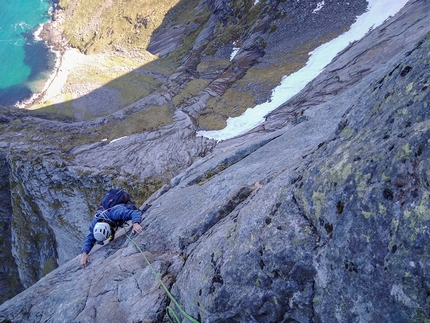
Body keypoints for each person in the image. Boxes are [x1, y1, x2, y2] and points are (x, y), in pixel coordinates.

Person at [80, 204, 143, 268]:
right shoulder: (95, 225)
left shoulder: (115, 213)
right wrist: (84, 253)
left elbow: (135, 212)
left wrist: (135, 224)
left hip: (122, 206)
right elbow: (90, 239)